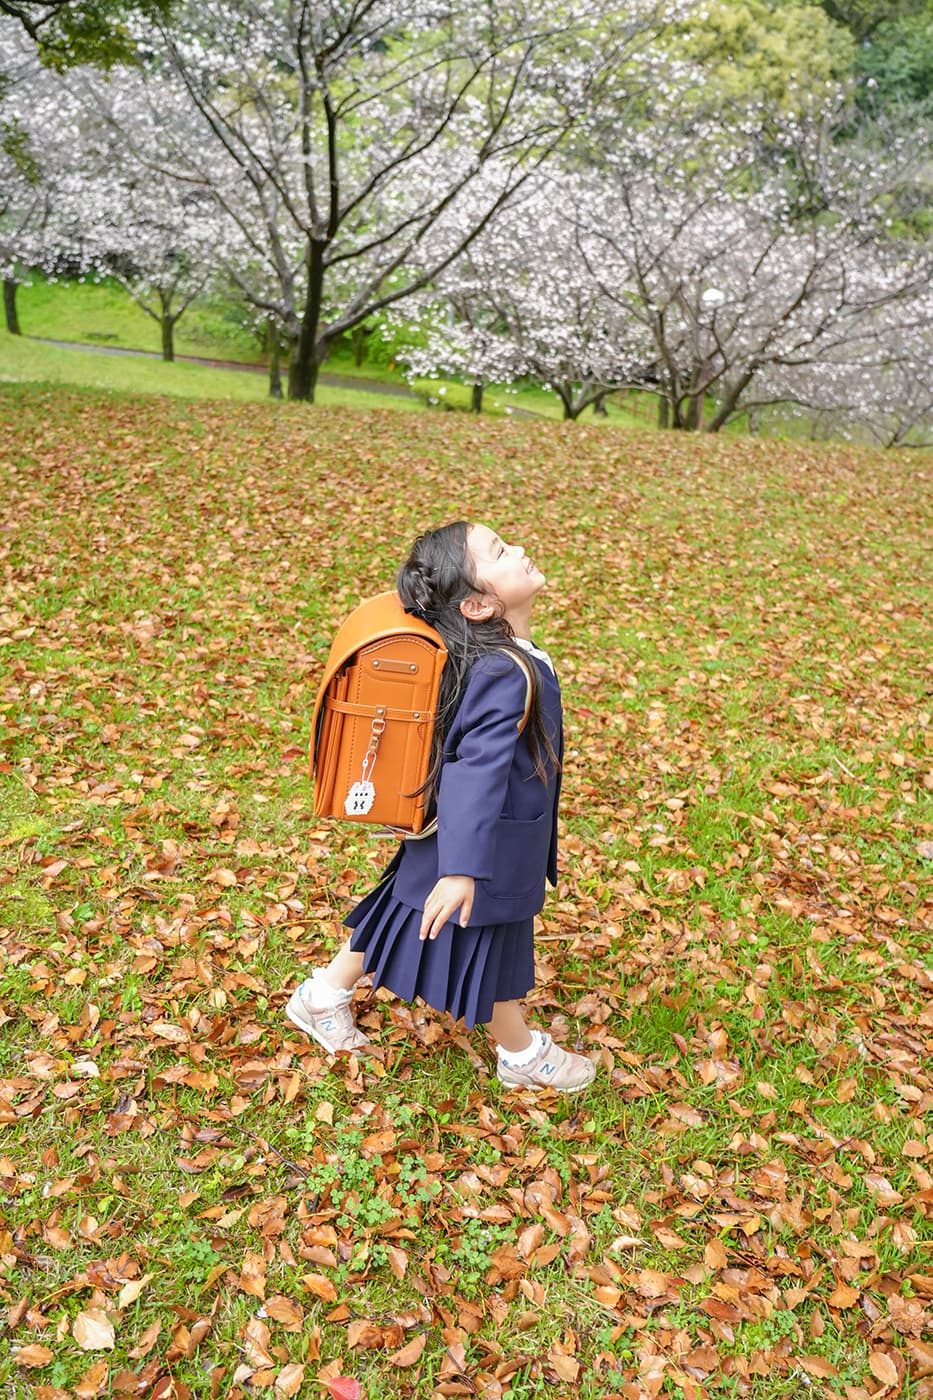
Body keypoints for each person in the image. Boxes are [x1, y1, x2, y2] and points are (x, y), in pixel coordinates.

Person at [285, 521, 596, 1093]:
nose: (521, 548)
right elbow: (474, 772)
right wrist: (461, 870)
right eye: (502, 551)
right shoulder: (505, 670)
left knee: (401, 912)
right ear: (477, 604)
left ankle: (320, 997)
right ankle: (522, 1053)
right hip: (481, 846)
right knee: (487, 943)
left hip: (465, 837)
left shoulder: (504, 655)